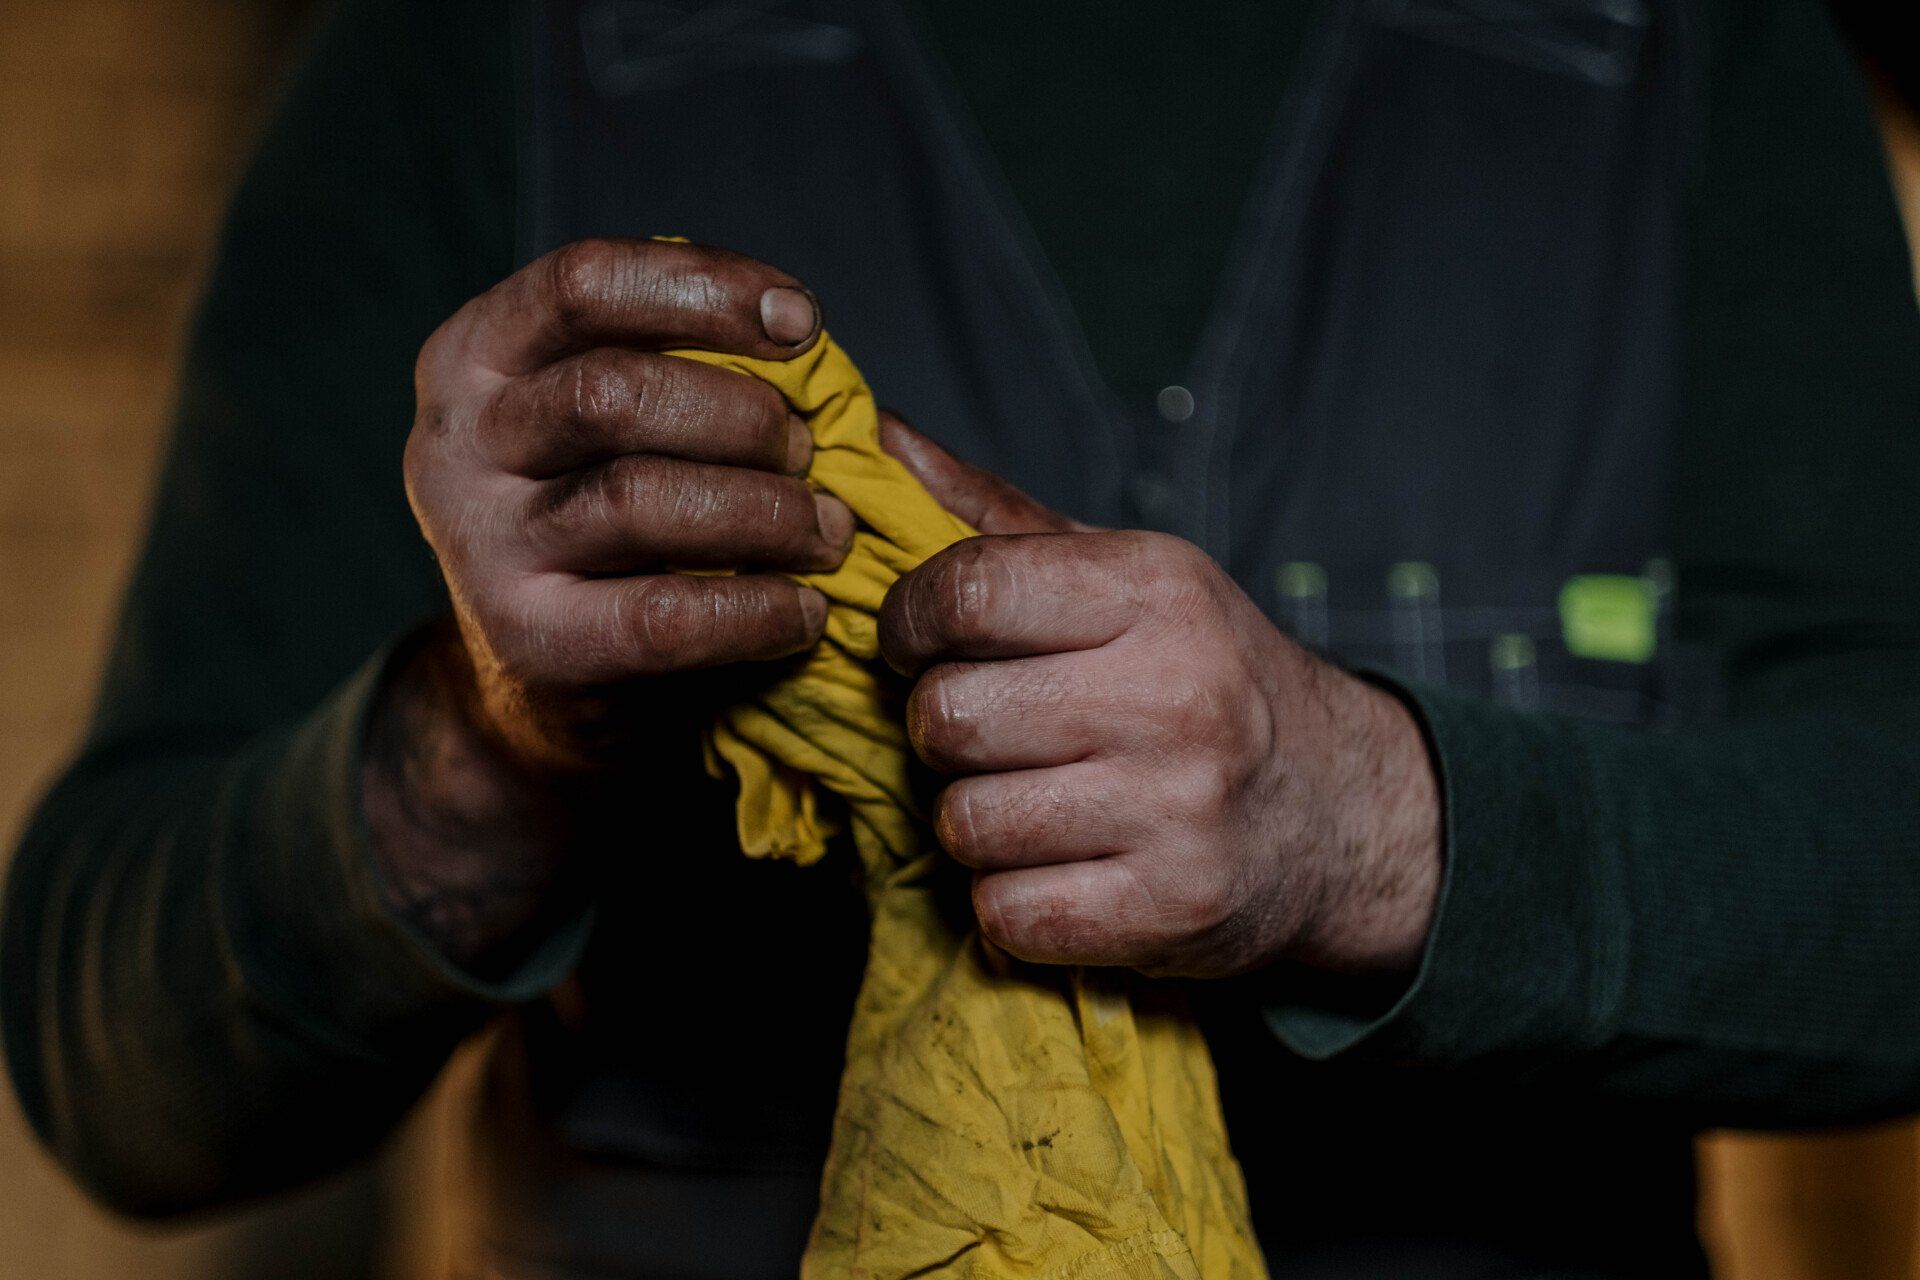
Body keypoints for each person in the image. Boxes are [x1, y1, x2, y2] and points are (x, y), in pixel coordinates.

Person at [6, 0, 1919, 1276]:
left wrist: (1372, 828)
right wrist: (497, 749)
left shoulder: (1688, 48)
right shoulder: (477, 50)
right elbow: (114, 1080)